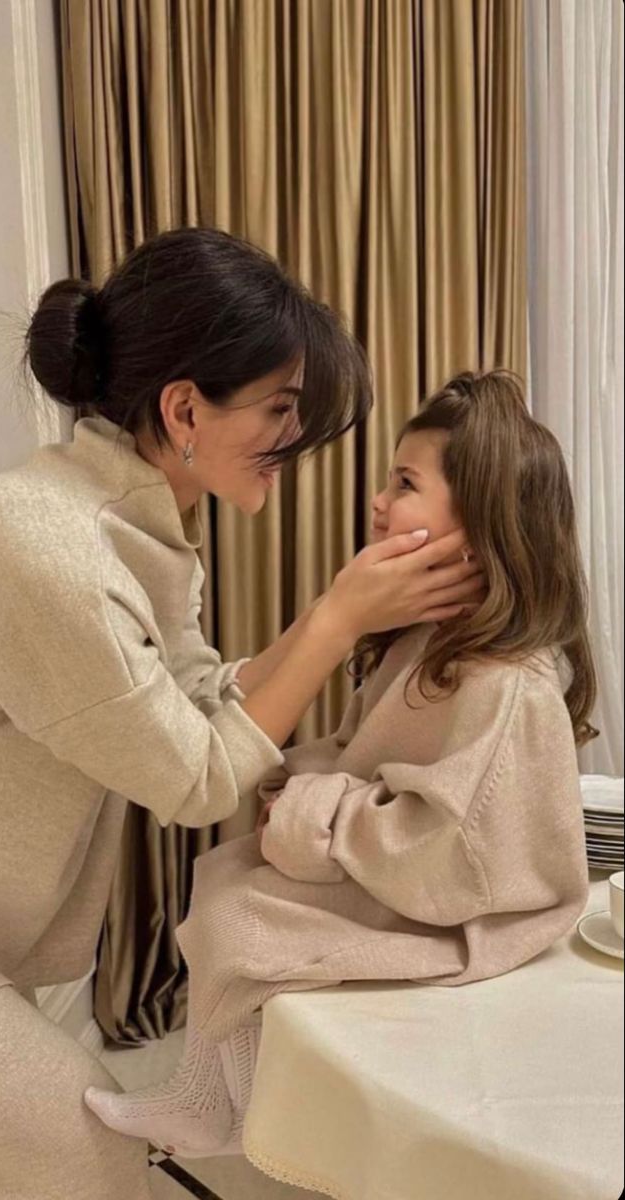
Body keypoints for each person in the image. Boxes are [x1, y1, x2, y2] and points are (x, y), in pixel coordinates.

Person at [0, 228, 482, 1200]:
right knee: (92, 1157)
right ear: (185, 407)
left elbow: (198, 703)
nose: (297, 439)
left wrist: (334, 622)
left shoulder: (139, 525)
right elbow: (193, 779)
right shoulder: (49, 553)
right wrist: (335, 618)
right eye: (279, 407)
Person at [86, 369, 595, 1160]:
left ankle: (263, 1124)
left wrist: (308, 814)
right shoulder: (422, 644)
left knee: (245, 921)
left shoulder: (504, 685)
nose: (379, 502)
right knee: (223, 876)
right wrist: (292, 781)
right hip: (402, 868)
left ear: (482, 520)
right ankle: (209, 1098)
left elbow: (447, 848)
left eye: (404, 483)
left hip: (471, 906)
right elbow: (362, 754)